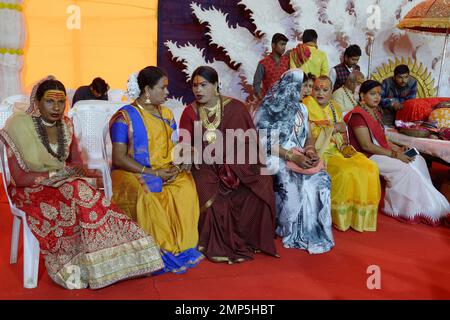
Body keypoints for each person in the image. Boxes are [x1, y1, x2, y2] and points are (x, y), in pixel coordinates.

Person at [0, 77, 164, 289]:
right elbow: (20, 178)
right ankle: (79, 266)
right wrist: (59, 174)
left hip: (66, 184)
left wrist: (81, 171)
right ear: (37, 103)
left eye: (61, 102)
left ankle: (118, 258)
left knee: (84, 190)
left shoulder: (65, 125)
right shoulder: (19, 125)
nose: (57, 107)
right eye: (50, 101)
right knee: (80, 190)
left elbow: (76, 162)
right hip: (29, 191)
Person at [179, 66, 278, 263]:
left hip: (236, 164)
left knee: (262, 180)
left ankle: (252, 238)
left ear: (216, 85)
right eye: (195, 86)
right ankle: (217, 243)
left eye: (203, 85)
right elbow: (185, 144)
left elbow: (250, 143)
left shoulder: (236, 107)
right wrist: (189, 152)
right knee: (213, 198)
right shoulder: (190, 112)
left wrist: (232, 165)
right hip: (205, 166)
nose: (198, 90)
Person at [109, 66, 203, 274]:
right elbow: (119, 157)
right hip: (130, 172)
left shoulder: (167, 114)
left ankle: (183, 246)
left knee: (186, 184)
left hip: (164, 169)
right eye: (163, 88)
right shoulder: (124, 117)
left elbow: (173, 146)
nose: (167, 93)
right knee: (147, 193)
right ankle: (158, 250)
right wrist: (153, 173)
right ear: (147, 90)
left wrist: (184, 158)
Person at [345, 80, 450, 226]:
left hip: (381, 152)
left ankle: (423, 203)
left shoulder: (375, 112)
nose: (377, 97)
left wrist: (398, 148)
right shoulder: (358, 115)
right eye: (372, 94)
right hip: (366, 155)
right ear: (362, 95)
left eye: (379, 94)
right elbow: (367, 145)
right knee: (406, 169)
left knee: (417, 158)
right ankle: (404, 209)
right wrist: (395, 155)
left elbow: (382, 139)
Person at [255, 69, 334, 254]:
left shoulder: (303, 108)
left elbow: (308, 137)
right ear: (290, 86)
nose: (307, 91)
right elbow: (263, 141)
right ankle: (291, 230)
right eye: (303, 86)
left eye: (308, 86)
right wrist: (292, 157)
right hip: (274, 155)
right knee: (300, 183)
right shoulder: (268, 108)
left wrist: (310, 151)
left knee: (321, 179)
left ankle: (314, 231)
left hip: (298, 153)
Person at [303, 76, 381, 232]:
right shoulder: (305, 106)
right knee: (346, 172)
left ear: (331, 92)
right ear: (312, 90)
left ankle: (359, 218)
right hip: (320, 151)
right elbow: (308, 134)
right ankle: (340, 218)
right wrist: (332, 127)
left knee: (370, 167)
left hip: (338, 149)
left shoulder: (335, 107)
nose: (320, 93)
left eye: (325, 90)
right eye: (317, 89)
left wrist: (341, 130)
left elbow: (342, 130)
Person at [253, 33, 289, 100]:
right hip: (268, 102)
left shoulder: (287, 61)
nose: (284, 47)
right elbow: (256, 84)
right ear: (273, 45)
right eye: (281, 44)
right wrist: (262, 100)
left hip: (284, 102)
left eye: (285, 44)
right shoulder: (263, 63)